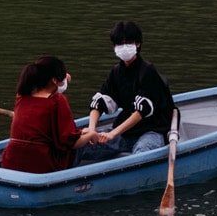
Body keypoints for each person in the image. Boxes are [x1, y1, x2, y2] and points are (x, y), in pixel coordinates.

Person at [74, 20, 175, 164]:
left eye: (128, 43)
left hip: (150, 131)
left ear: (138, 44)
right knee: (79, 145)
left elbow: (141, 112)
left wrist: (113, 134)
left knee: (141, 154)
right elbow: (100, 103)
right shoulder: (116, 72)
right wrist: (91, 131)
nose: (123, 47)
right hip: (126, 133)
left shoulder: (147, 71)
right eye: (119, 44)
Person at [0, 56, 82, 173]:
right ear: (54, 80)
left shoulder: (22, 96)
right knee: (86, 143)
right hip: (43, 164)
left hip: (10, 160)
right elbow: (69, 141)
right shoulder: (58, 101)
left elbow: (52, 88)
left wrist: (63, 77)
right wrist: (91, 135)